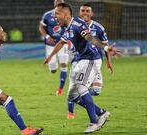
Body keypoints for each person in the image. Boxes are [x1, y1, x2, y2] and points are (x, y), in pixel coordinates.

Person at [44, 3, 121, 133]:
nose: (54, 15)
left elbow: (91, 39)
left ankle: (94, 122)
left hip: (91, 60)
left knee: (81, 87)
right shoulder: (68, 28)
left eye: (57, 13)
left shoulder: (77, 25)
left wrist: (106, 48)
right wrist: (50, 56)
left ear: (65, 14)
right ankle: (101, 113)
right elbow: (60, 42)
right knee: (72, 95)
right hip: (82, 60)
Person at [67, 3, 113, 120]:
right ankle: (95, 114)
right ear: (79, 13)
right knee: (80, 90)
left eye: (88, 11)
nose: (85, 13)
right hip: (79, 62)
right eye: (83, 11)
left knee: (96, 90)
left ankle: (82, 98)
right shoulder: (74, 25)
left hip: (94, 62)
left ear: (92, 14)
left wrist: (108, 62)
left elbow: (105, 45)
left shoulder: (98, 28)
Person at [39, 0, 73, 96]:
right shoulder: (47, 15)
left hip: (63, 43)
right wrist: (47, 36)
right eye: (57, 1)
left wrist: (70, 40)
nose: (58, 3)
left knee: (63, 64)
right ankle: (53, 66)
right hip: (50, 45)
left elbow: (71, 27)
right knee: (53, 69)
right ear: (54, 4)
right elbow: (41, 27)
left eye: (60, 2)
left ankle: (60, 89)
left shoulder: (66, 15)